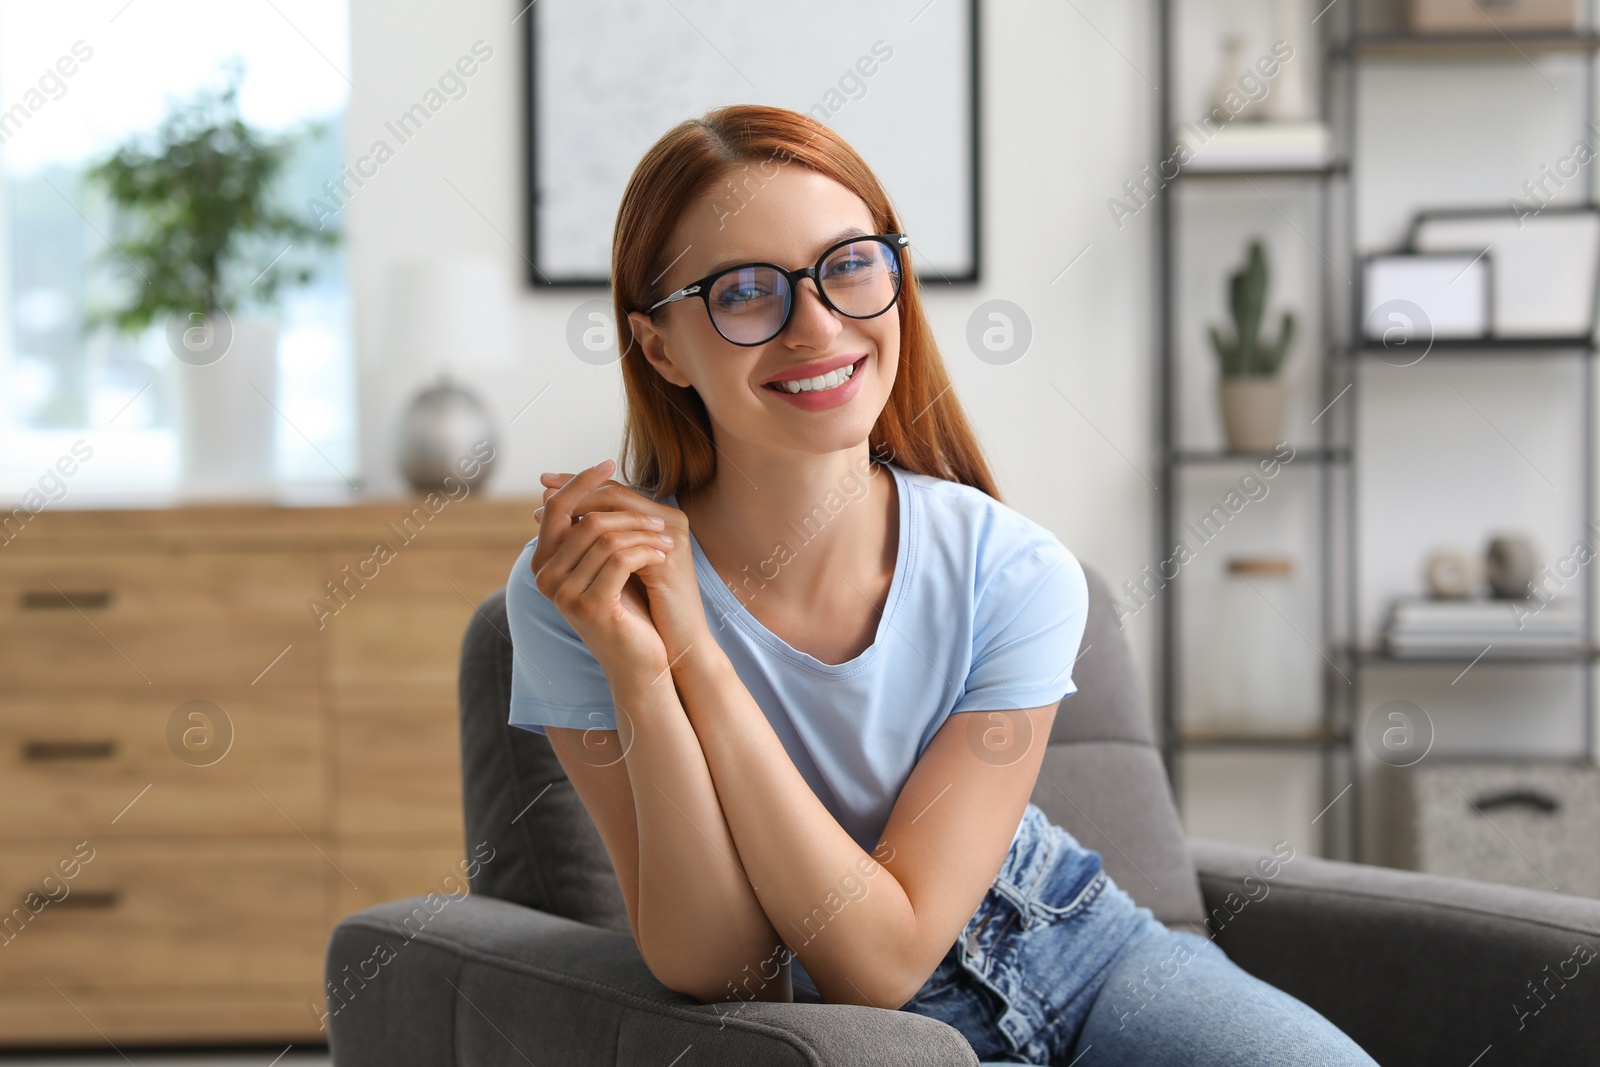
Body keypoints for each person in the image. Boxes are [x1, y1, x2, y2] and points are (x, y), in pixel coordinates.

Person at [503, 103, 1378, 1066]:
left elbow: (894, 941)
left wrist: (696, 658)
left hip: (1081, 958)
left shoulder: (1015, 571)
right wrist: (641, 668)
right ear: (661, 346)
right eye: (745, 291)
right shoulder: (581, 595)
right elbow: (733, 971)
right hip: (850, 1037)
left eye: (848, 267)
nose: (817, 325)